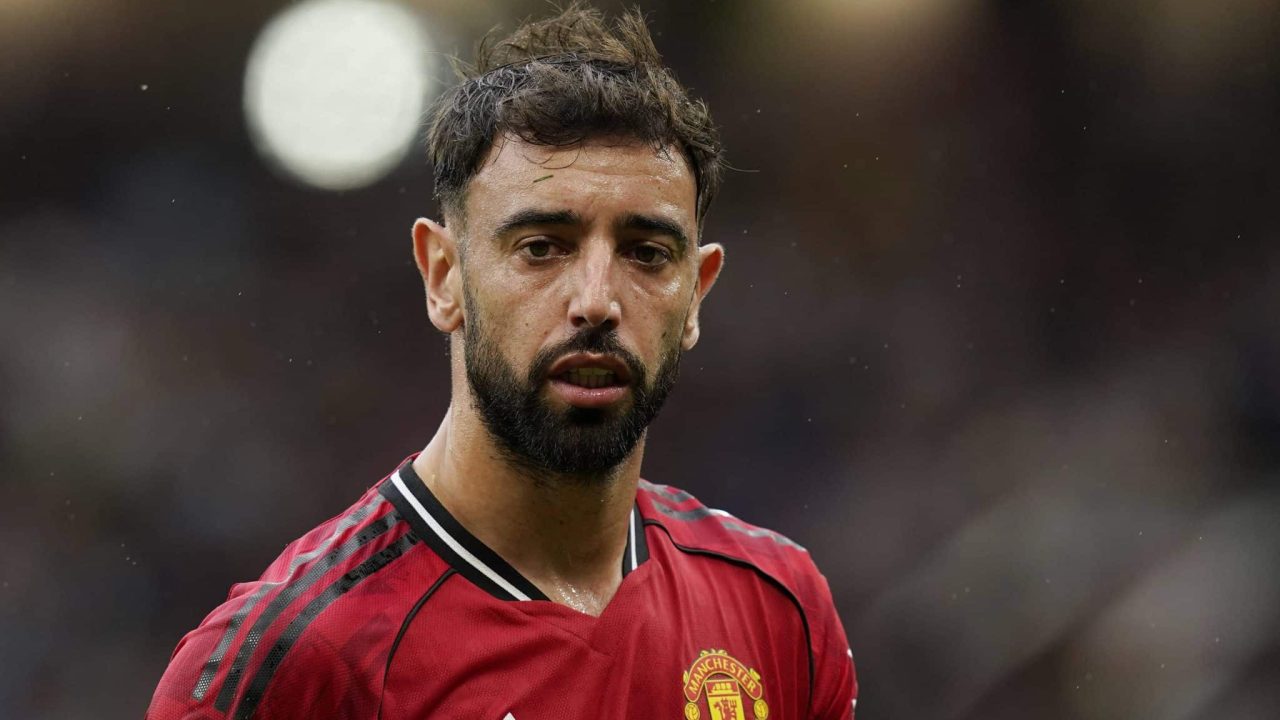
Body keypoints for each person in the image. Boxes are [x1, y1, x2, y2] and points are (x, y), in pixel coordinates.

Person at [147, 4, 857, 718]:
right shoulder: (298, 665)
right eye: (541, 247)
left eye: (646, 254)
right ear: (444, 276)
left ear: (696, 293)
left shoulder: (780, 608)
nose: (597, 301)